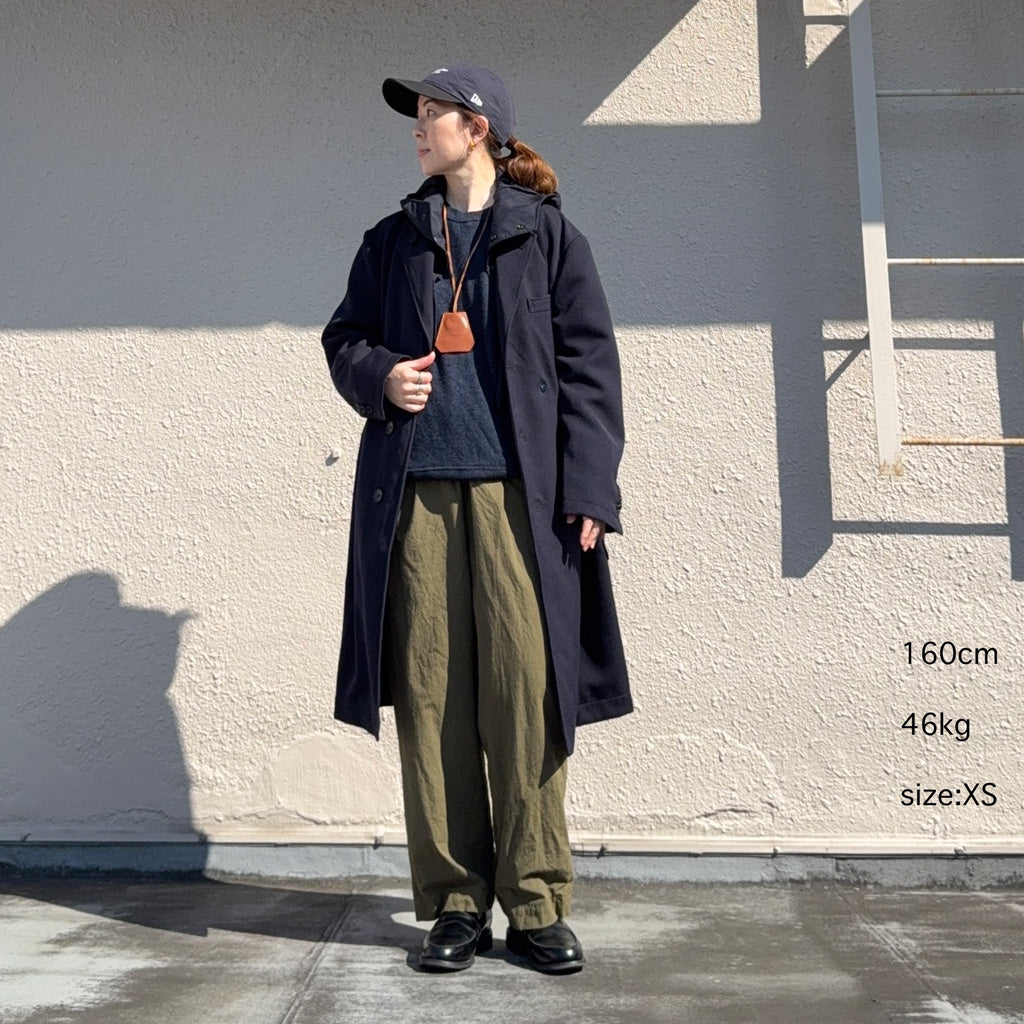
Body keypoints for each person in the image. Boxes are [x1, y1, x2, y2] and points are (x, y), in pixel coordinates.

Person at [320, 64, 631, 973]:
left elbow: (590, 370)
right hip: (417, 500)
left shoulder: (548, 238)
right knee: (432, 701)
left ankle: (535, 903)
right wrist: (381, 376)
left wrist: (590, 491)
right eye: (416, 116)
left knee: (527, 698)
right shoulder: (393, 241)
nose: (418, 129)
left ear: (480, 127)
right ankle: (456, 905)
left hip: (519, 502)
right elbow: (344, 339)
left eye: (433, 114)